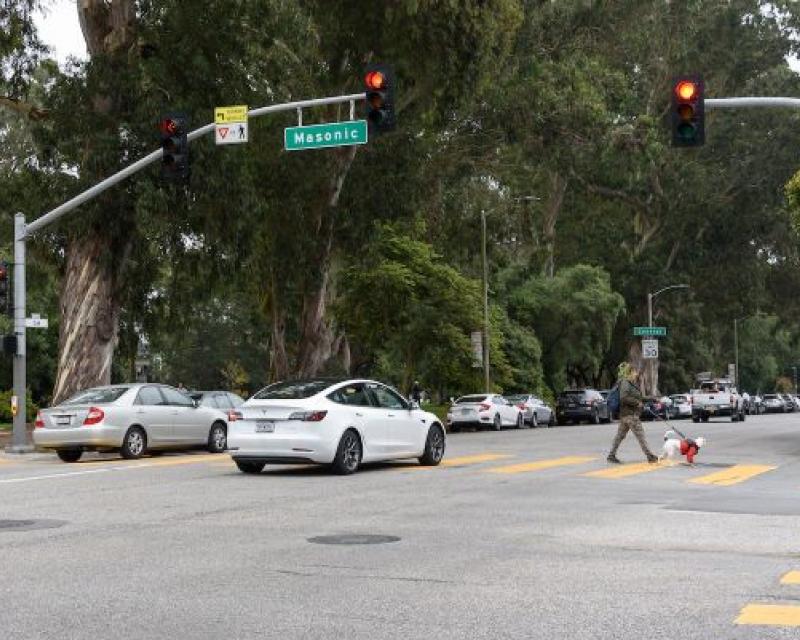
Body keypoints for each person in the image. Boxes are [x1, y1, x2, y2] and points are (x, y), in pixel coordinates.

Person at [607, 362, 658, 464]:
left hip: (625, 415)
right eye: (634, 371)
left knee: (619, 436)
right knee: (640, 435)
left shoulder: (628, 383)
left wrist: (650, 398)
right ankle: (650, 455)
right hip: (630, 415)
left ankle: (611, 455)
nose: (636, 374)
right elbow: (624, 397)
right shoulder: (625, 382)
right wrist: (637, 403)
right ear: (629, 372)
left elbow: (635, 396)